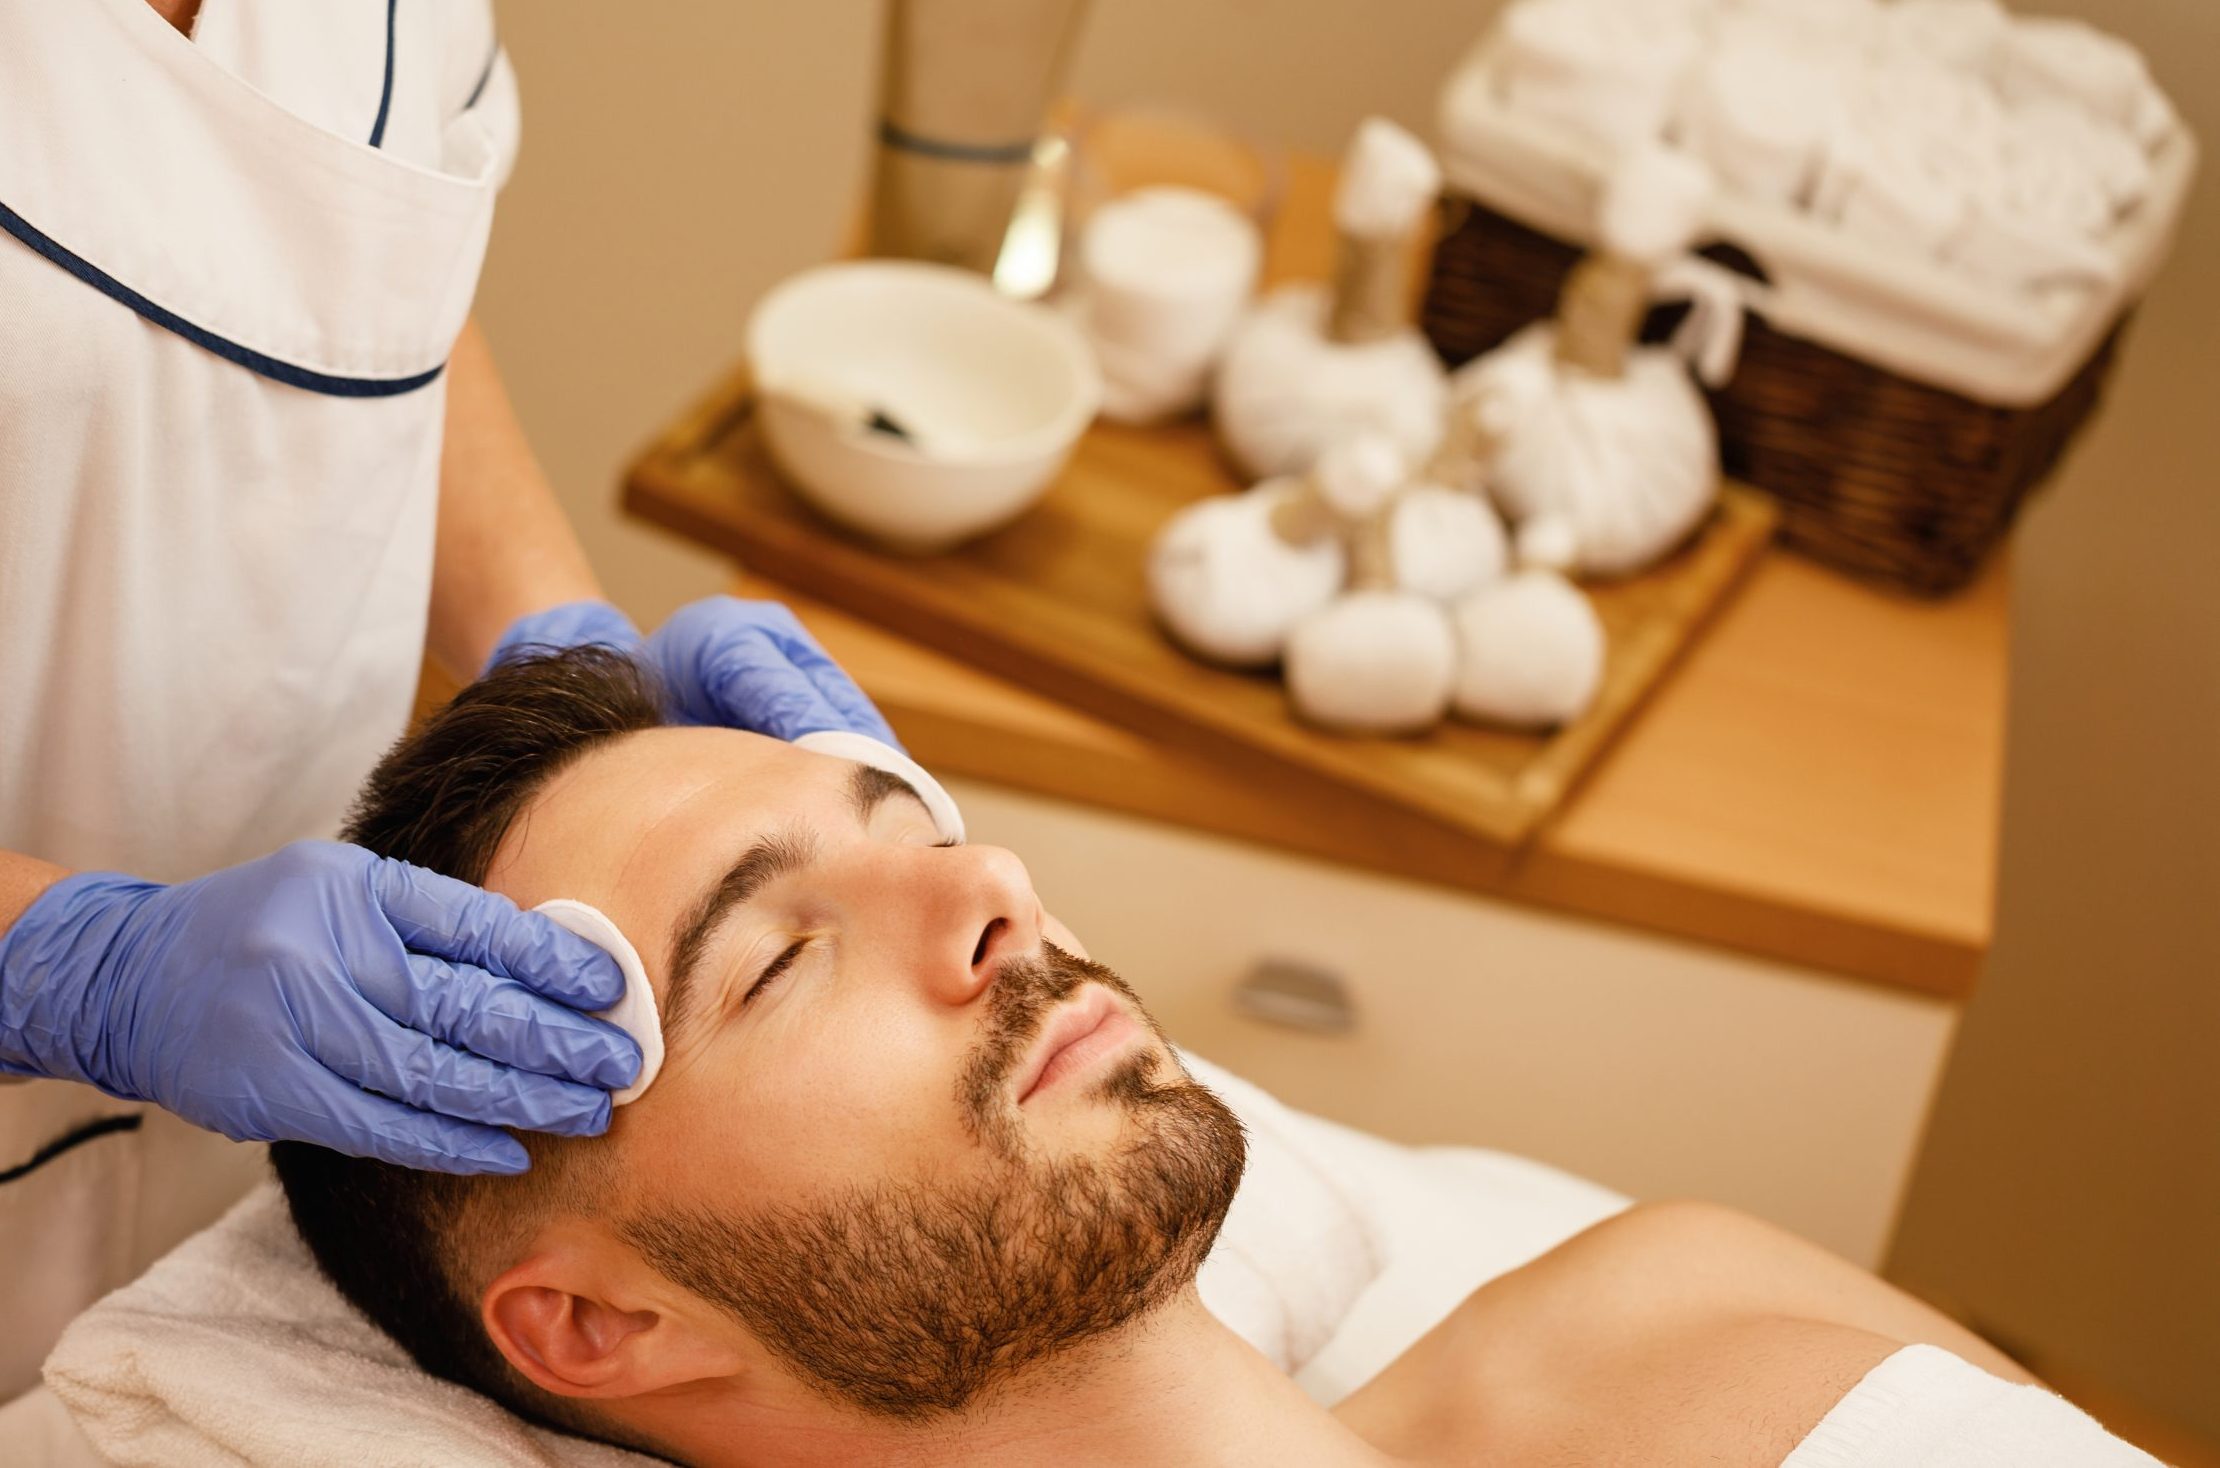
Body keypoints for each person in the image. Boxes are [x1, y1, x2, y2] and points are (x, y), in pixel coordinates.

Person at [271, 647, 2160, 1466]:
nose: (996, 891)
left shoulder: (1672, 1293)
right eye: (778, 960)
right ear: (599, 1326)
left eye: (920, 827)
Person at [0, 0, 897, 1399]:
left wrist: (557, 639)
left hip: (276, 1104)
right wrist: (65, 968)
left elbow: (340, 271)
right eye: (769, 967)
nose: (1003, 884)